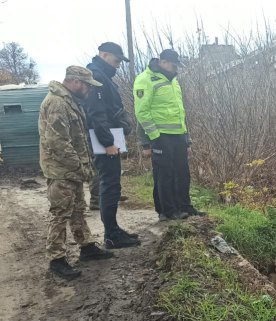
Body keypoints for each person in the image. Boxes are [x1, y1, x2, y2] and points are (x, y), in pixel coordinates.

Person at [39, 66, 114, 280]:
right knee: (60, 214)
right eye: (87, 85)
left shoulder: (69, 102)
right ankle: (56, 259)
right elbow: (58, 142)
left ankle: (86, 246)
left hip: (72, 170)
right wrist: (80, 167)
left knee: (78, 210)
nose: (89, 89)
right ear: (76, 82)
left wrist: (82, 166)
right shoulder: (56, 103)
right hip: (61, 170)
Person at [133, 49, 205, 221]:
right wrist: (153, 137)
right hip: (161, 135)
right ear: (163, 62)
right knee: (165, 174)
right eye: (173, 65)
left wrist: (186, 138)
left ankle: (184, 206)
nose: (176, 68)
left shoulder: (173, 81)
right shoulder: (145, 79)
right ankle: (167, 210)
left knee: (182, 172)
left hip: (178, 135)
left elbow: (180, 111)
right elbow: (142, 112)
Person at [85, 42, 140, 248]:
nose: (118, 65)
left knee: (113, 185)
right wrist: (108, 143)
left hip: (110, 136)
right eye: (116, 60)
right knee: (109, 185)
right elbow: (97, 114)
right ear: (104, 54)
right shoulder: (97, 76)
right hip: (104, 139)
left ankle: (113, 230)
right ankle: (111, 235)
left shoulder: (103, 75)